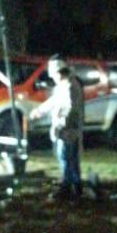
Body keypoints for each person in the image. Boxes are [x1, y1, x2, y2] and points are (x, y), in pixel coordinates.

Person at [30, 55, 84, 200]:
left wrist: (59, 125)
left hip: (68, 131)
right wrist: (39, 111)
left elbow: (71, 110)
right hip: (67, 130)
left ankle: (68, 188)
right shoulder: (64, 86)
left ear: (59, 73)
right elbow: (53, 101)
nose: (53, 78)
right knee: (70, 159)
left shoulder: (70, 87)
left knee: (66, 158)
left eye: (53, 75)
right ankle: (76, 187)